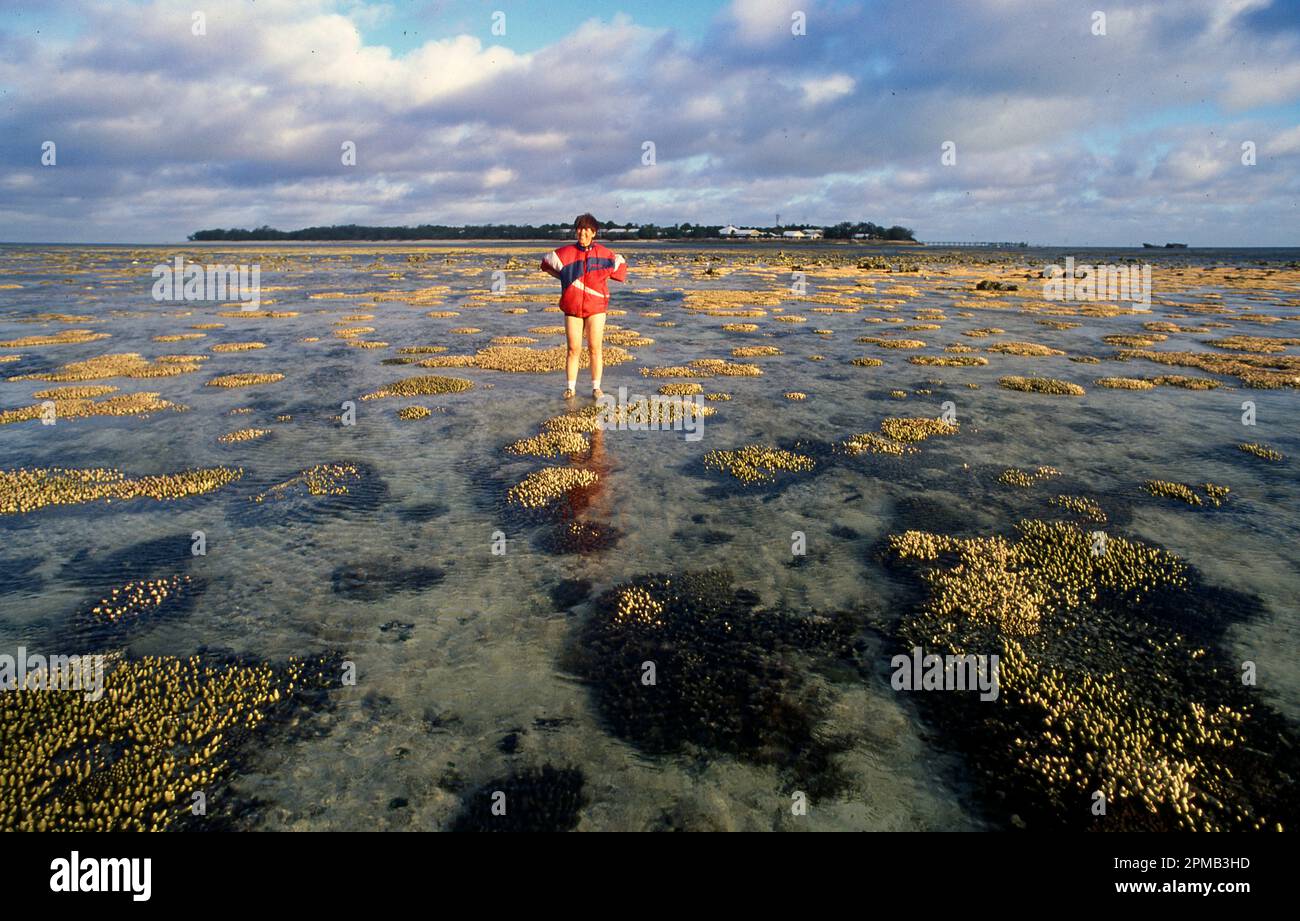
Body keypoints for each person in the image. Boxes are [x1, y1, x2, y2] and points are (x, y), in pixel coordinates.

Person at [539, 213, 628, 399]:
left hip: (596, 307)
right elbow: (546, 262)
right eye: (579, 228)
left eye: (587, 229)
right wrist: (565, 278)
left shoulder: (604, 254)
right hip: (572, 307)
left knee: (595, 348)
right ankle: (570, 388)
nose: (582, 232)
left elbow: (620, 266)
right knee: (573, 349)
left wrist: (603, 279)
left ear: (594, 232)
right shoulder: (565, 254)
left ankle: (596, 388)